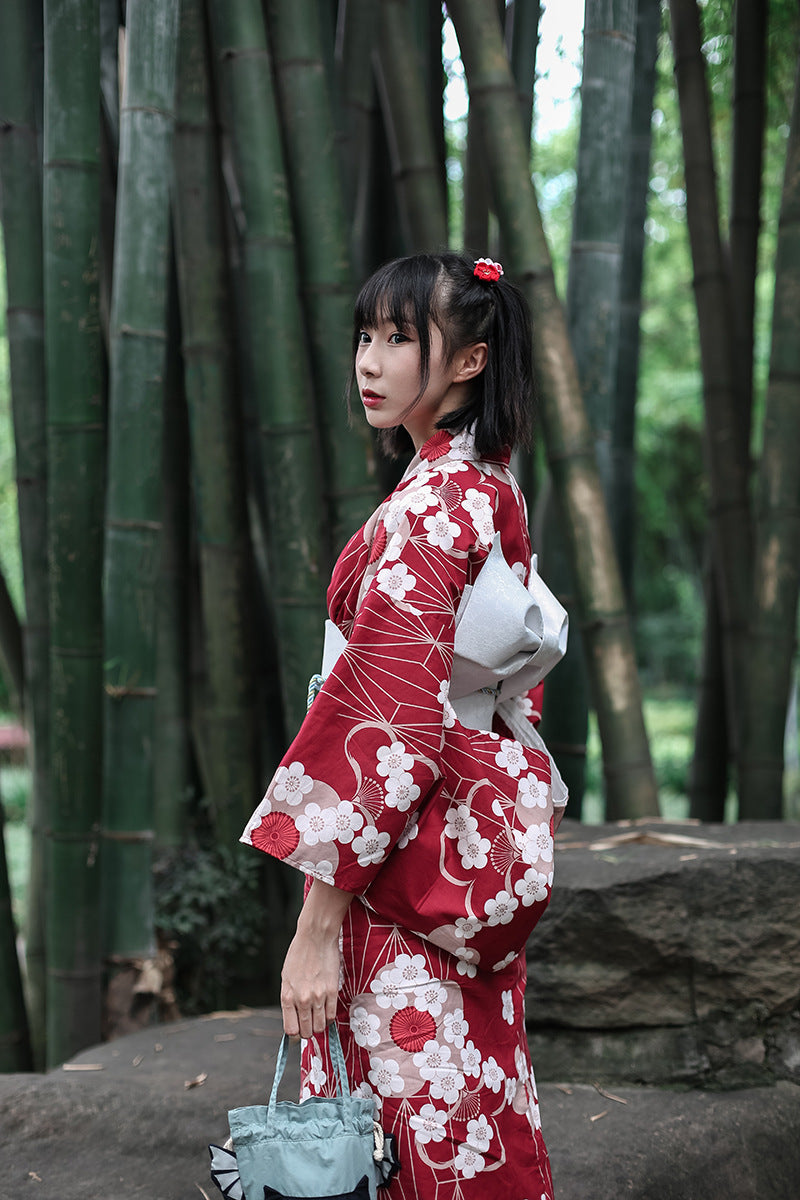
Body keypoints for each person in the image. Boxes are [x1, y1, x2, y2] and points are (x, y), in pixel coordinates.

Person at [242, 252, 567, 1199]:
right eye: (364, 336)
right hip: (453, 847)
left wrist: (316, 925)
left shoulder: (433, 508)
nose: (369, 362)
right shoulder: (484, 487)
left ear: (467, 361)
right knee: (469, 1105)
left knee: (403, 1131)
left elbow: (389, 716)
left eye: (399, 339)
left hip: (396, 874)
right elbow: (504, 684)